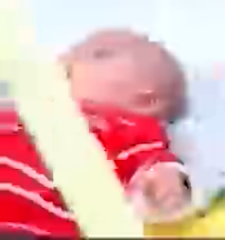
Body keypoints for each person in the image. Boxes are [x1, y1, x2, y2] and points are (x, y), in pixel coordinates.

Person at [0, 29, 193, 236]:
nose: (69, 56)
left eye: (100, 54)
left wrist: (165, 182)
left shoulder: (128, 126)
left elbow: (154, 162)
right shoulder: (28, 108)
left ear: (146, 98)